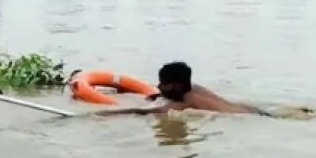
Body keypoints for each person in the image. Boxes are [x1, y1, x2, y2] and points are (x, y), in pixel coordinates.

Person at [95, 62, 272, 117]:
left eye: (162, 83)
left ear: (175, 86)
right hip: (253, 111)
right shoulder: (195, 88)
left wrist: (104, 114)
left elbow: (142, 112)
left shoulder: (185, 102)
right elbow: (162, 96)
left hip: (247, 117)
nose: (159, 86)